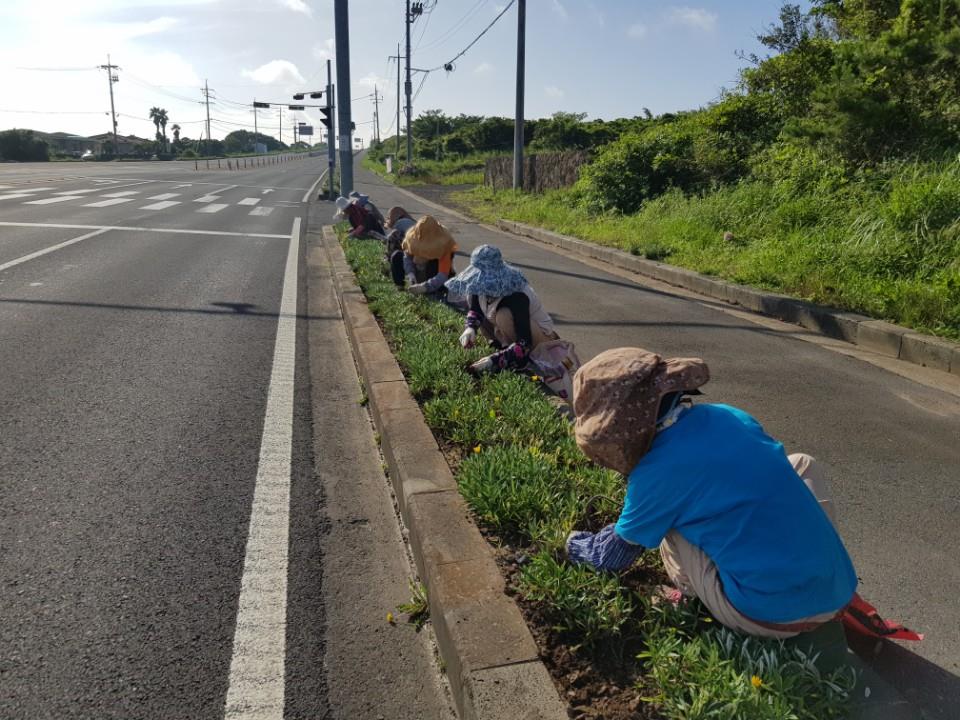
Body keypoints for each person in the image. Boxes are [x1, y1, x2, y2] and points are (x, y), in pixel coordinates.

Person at [565, 347, 858, 638]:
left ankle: (693, 601)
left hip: (767, 613)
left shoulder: (658, 472)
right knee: (800, 464)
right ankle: (813, 567)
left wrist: (573, 543)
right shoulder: (729, 416)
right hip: (837, 589)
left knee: (674, 523)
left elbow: (611, 557)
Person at [444, 244, 580, 397]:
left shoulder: (517, 295)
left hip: (538, 338)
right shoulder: (477, 286)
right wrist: (470, 328)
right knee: (488, 314)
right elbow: (476, 310)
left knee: (503, 315)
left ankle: (516, 357)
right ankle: (503, 348)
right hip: (508, 332)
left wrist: (494, 361)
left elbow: (524, 342)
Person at [390, 215, 458, 297]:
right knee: (396, 255)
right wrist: (411, 274)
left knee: (433, 264)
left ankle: (434, 293)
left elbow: (443, 275)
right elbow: (407, 257)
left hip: (434, 280)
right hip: (417, 273)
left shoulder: (444, 246)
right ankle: (400, 287)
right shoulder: (413, 240)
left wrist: (424, 287)